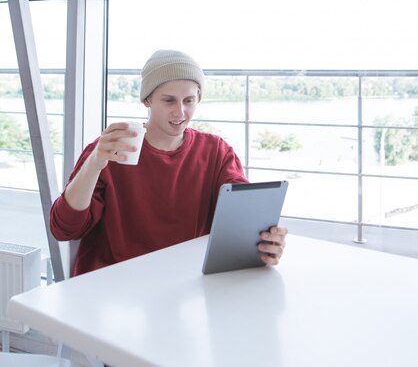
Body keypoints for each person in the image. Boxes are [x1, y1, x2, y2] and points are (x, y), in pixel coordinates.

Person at [50, 50, 288, 275]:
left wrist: (266, 242)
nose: (180, 112)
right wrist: (94, 163)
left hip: (184, 282)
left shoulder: (216, 151)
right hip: (114, 285)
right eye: (169, 101)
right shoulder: (109, 150)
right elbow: (64, 229)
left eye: (189, 100)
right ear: (147, 100)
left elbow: (242, 220)